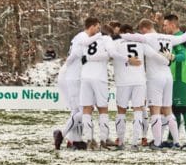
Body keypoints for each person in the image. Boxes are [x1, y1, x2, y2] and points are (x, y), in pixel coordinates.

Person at [121, 19, 186, 150]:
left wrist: (117, 36)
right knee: (168, 110)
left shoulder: (147, 38)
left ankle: (157, 142)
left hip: (155, 78)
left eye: (141, 30)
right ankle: (176, 142)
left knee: (155, 110)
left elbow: (133, 38)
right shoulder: (169, 38)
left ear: (144, 28)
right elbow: (183, 37)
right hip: (168, 77)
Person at [80, 24, 141, 150]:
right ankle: (103, 140)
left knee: (86, 109)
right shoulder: (106, 39)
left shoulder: (86, 40)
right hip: (99, 77)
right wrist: (128, 59)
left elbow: (81, 57)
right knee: (103, 109)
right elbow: (112, 53)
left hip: (85, 76)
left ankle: (89, 140)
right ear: (108, 34)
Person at [112, 24, 170, 150]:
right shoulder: (141, 43)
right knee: (138, 110)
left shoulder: (116, 43)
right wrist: (167, 61)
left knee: (121, 111)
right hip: (139, 81)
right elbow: (154, 55)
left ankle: (120, 141)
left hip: (123, 81)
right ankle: (134, 143)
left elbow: (110, 54)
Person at [53, 17, 102, 150]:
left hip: (73, 75)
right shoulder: (82, 36)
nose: (98, 30)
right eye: (97, 28)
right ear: (91, 26)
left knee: (78, 110)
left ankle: (75, 140)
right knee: (83, 110)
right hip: (72, 76)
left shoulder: (81, 38)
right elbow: (74, 54)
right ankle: (61, 135)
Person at [162, 14, 186, 150]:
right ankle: (172, 140)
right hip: (179, 78)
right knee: (175, 110)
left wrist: (173, 56)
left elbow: (181, 56)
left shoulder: (178, 39)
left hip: (181, 78)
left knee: (184, 109)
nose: (164, 27)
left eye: (165, 25)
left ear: (172, 25)